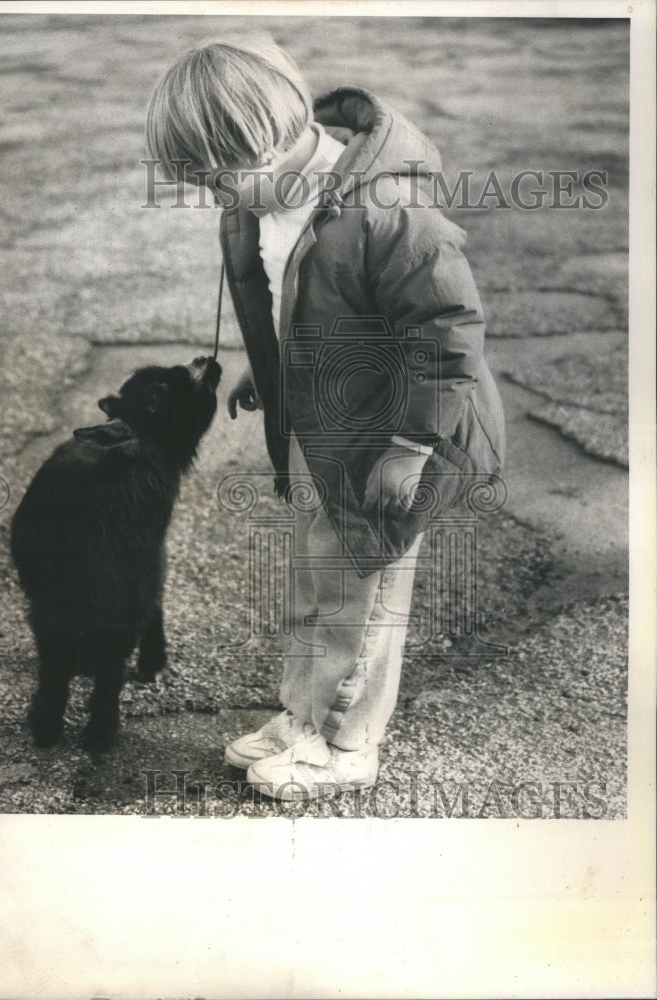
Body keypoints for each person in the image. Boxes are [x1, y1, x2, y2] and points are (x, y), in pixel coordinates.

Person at [145, 34, 505, 801]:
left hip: (393, 433)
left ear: (264, 144)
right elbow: (297, 292)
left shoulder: (386, 211)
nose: (209, 196)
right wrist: (271, 361)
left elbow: (447, 334)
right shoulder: (261, 202)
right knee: (316, 579)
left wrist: (408, 444)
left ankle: (345, 743)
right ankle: (302, 714)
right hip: (321, 421)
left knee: (362, 591)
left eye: (214, 179)